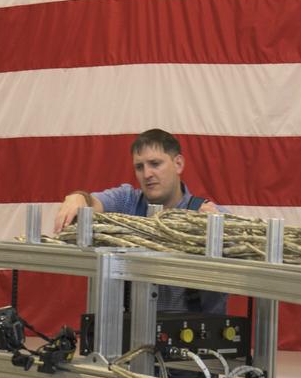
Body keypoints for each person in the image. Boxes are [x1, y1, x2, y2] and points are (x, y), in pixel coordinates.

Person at [53, 128, 226, 317]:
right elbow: (91, 202)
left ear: (178, 164)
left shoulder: (208, 214)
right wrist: (77, 197)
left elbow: (240, 255)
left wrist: (216, 231)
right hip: (132, 332)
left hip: (193, 334)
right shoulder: (127, 201)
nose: (147, 174)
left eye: (155, 163)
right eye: (139, 167)